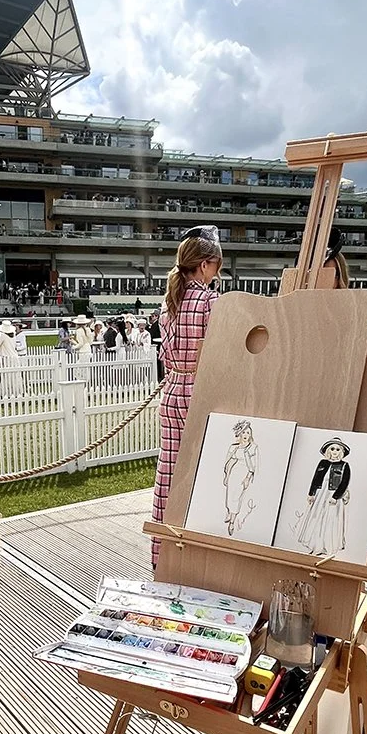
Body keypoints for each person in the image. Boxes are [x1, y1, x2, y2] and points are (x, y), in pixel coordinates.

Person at [151, 225, 223, 567]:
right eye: (217, 266)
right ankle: (198, 557)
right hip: (201, 394)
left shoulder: (171, 303)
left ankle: (161, 554)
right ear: (206, 264)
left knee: (168, 476)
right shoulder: (211, 302)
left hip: (172, 392)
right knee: (204, 475)